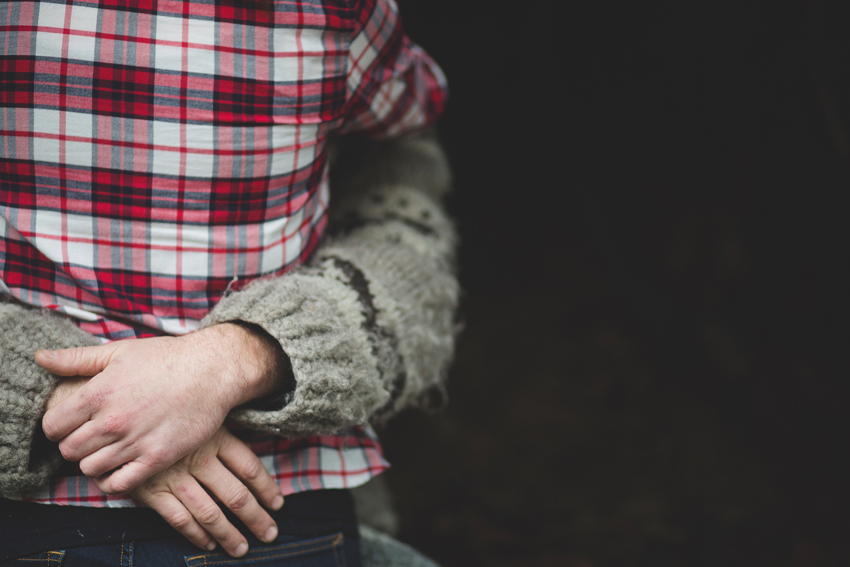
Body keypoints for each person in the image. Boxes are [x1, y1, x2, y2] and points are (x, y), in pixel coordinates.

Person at [0, 0, 458, 564]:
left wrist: (226, 363)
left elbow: (400, 159)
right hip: (272, 496)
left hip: (72, 506)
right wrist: (150, 400)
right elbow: (412, 108)